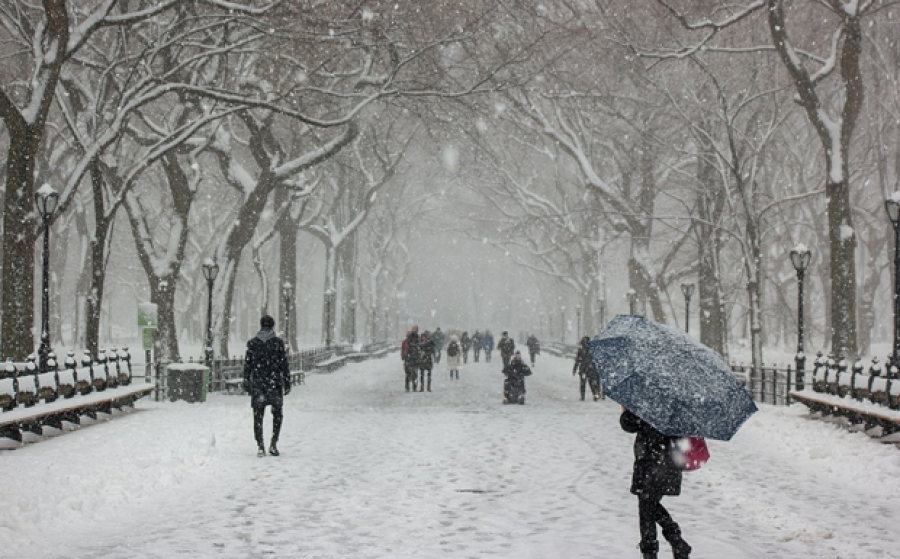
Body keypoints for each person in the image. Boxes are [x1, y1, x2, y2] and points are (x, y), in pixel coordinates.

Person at [620, 408, 691, 559]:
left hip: (650, 462)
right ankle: (676, 542)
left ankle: (654, 551)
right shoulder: (678, 405)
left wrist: (626, 411)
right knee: (649, 505)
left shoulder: (648, 403)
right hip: (670, 460)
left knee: (646, 506)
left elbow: (629, 424)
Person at [242, 315, 291, 457]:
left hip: (258, 383)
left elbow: (248, 365)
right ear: (272, 326)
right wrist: (287, 381)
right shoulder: (278, 343)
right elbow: (284, 364)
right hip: (274, 383)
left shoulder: (252, 344)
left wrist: (247, 380)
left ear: (261, 325)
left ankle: (260, 445)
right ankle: (273, 444)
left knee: (258, 416)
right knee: (277, 414)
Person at [573, 336, 603, 401]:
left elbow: (577, 360)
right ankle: (595, 395)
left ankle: (583, 397)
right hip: (590, 369)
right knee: (592, 383)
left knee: (583, 384)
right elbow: (596, 359)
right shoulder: (592, 349)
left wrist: (575, 369)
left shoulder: (581, 350)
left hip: (584, 369)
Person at [402, 326, 421, 392]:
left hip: (415, 358)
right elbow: (407, 347)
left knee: (415, 373)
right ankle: (407, 386)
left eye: (416, 329)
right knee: (408, 373)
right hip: (409, 358)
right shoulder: (410, 338)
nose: (415, 330)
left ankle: (414, 386)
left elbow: (419, 346)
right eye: (414, 329)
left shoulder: (418, 337)